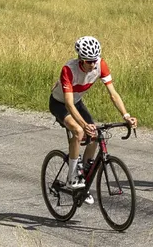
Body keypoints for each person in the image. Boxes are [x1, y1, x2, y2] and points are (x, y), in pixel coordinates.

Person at [49, 35, 136, 190]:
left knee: (95, 134)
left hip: (77, 102)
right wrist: (83, 125)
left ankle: (84, 175)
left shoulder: (100, 65)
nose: (93, 64)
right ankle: (72, 177)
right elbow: (68, 104)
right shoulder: (69, 70)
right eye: (89, 61)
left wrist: (126, 115)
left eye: (95, 60)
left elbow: (113, 94)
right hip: (59, 104)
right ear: (80, 59)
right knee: (78, 131)